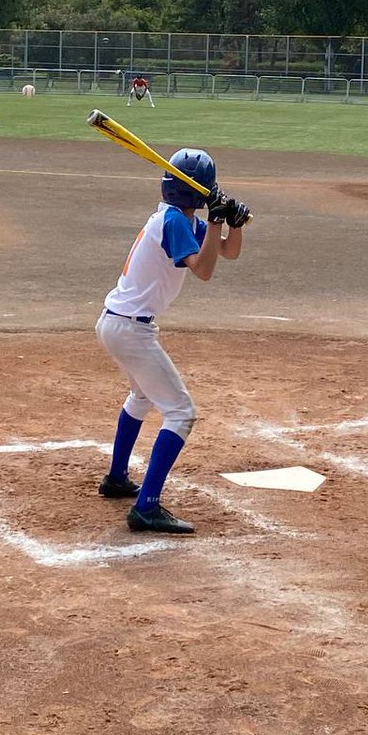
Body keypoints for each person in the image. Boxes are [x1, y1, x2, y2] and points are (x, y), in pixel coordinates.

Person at [95, 150, 250, 534]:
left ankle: (117, 478)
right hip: (131, 330)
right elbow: (205, 271)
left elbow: (227, 252)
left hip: (118, 324)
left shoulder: (178, 218)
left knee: (142, 397)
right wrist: (216, 219)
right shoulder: (174, 222)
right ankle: (146, 508)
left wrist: (233, 224)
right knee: (181, 413)